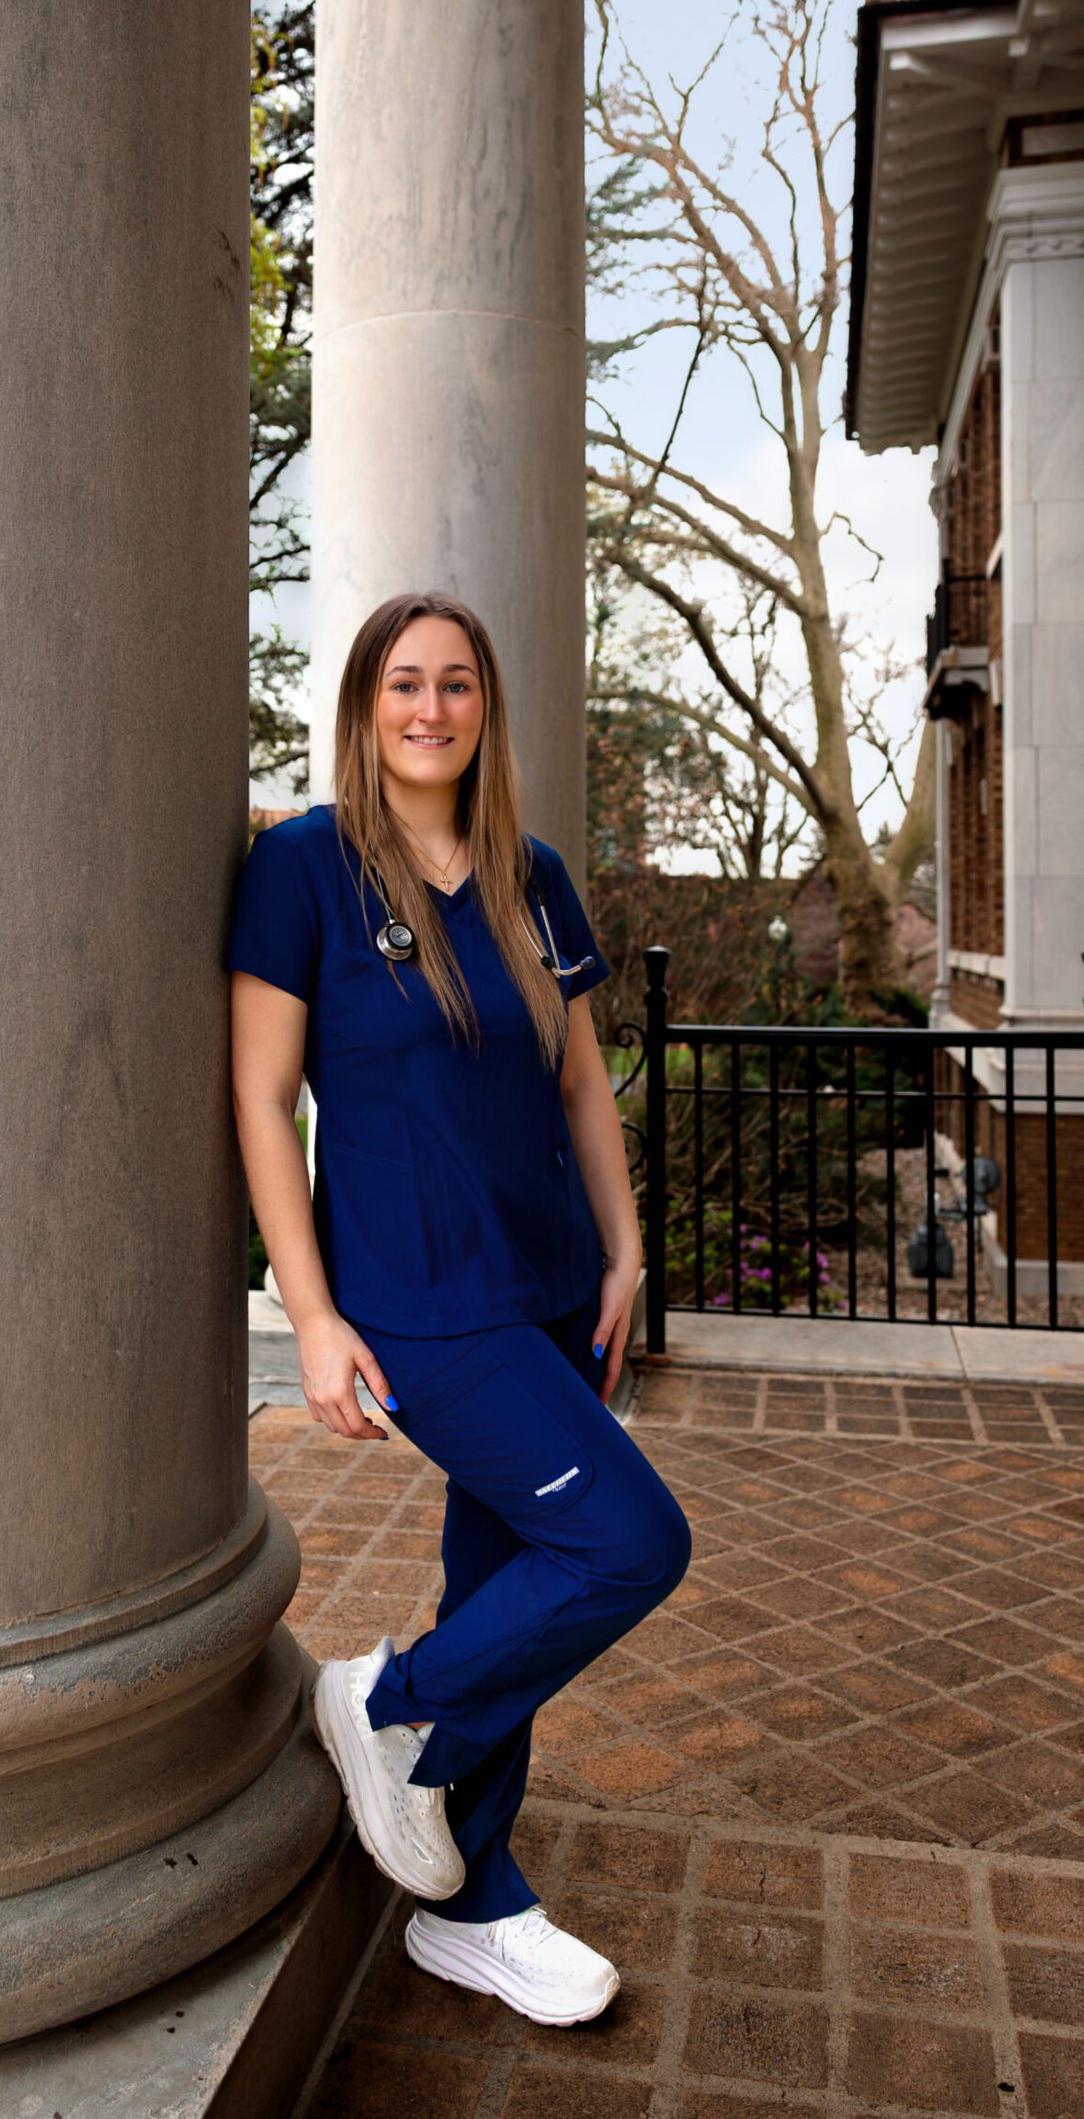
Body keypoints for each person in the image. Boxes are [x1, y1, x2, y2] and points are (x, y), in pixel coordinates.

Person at [225, 592, 691, 2028]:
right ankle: (385, 1702)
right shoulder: (304, 869)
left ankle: (475, 1901)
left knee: (514, 1593)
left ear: (488, 706)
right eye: (405, 684)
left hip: (555, 1282)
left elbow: (576, 1079)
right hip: (422, 1302)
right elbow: (260, 1095)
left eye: (460, 684)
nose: (432, 709)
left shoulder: (529, 873)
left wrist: (623, 1250)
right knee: (629, 1541)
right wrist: (308, 1312)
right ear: (366, 703)